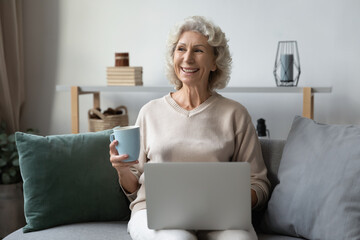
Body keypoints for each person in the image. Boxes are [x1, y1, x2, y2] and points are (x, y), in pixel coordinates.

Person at [109, 16, 270, 240]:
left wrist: (234, 202)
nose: (187, 58)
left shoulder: (236, 114)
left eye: (199, 50)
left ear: (215, 62)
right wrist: (122, 169)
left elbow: (259, 184)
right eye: (181, 49)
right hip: (153, 214)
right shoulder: (150, 112)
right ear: (173, 58)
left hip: (220, 217)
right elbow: (134, 187)